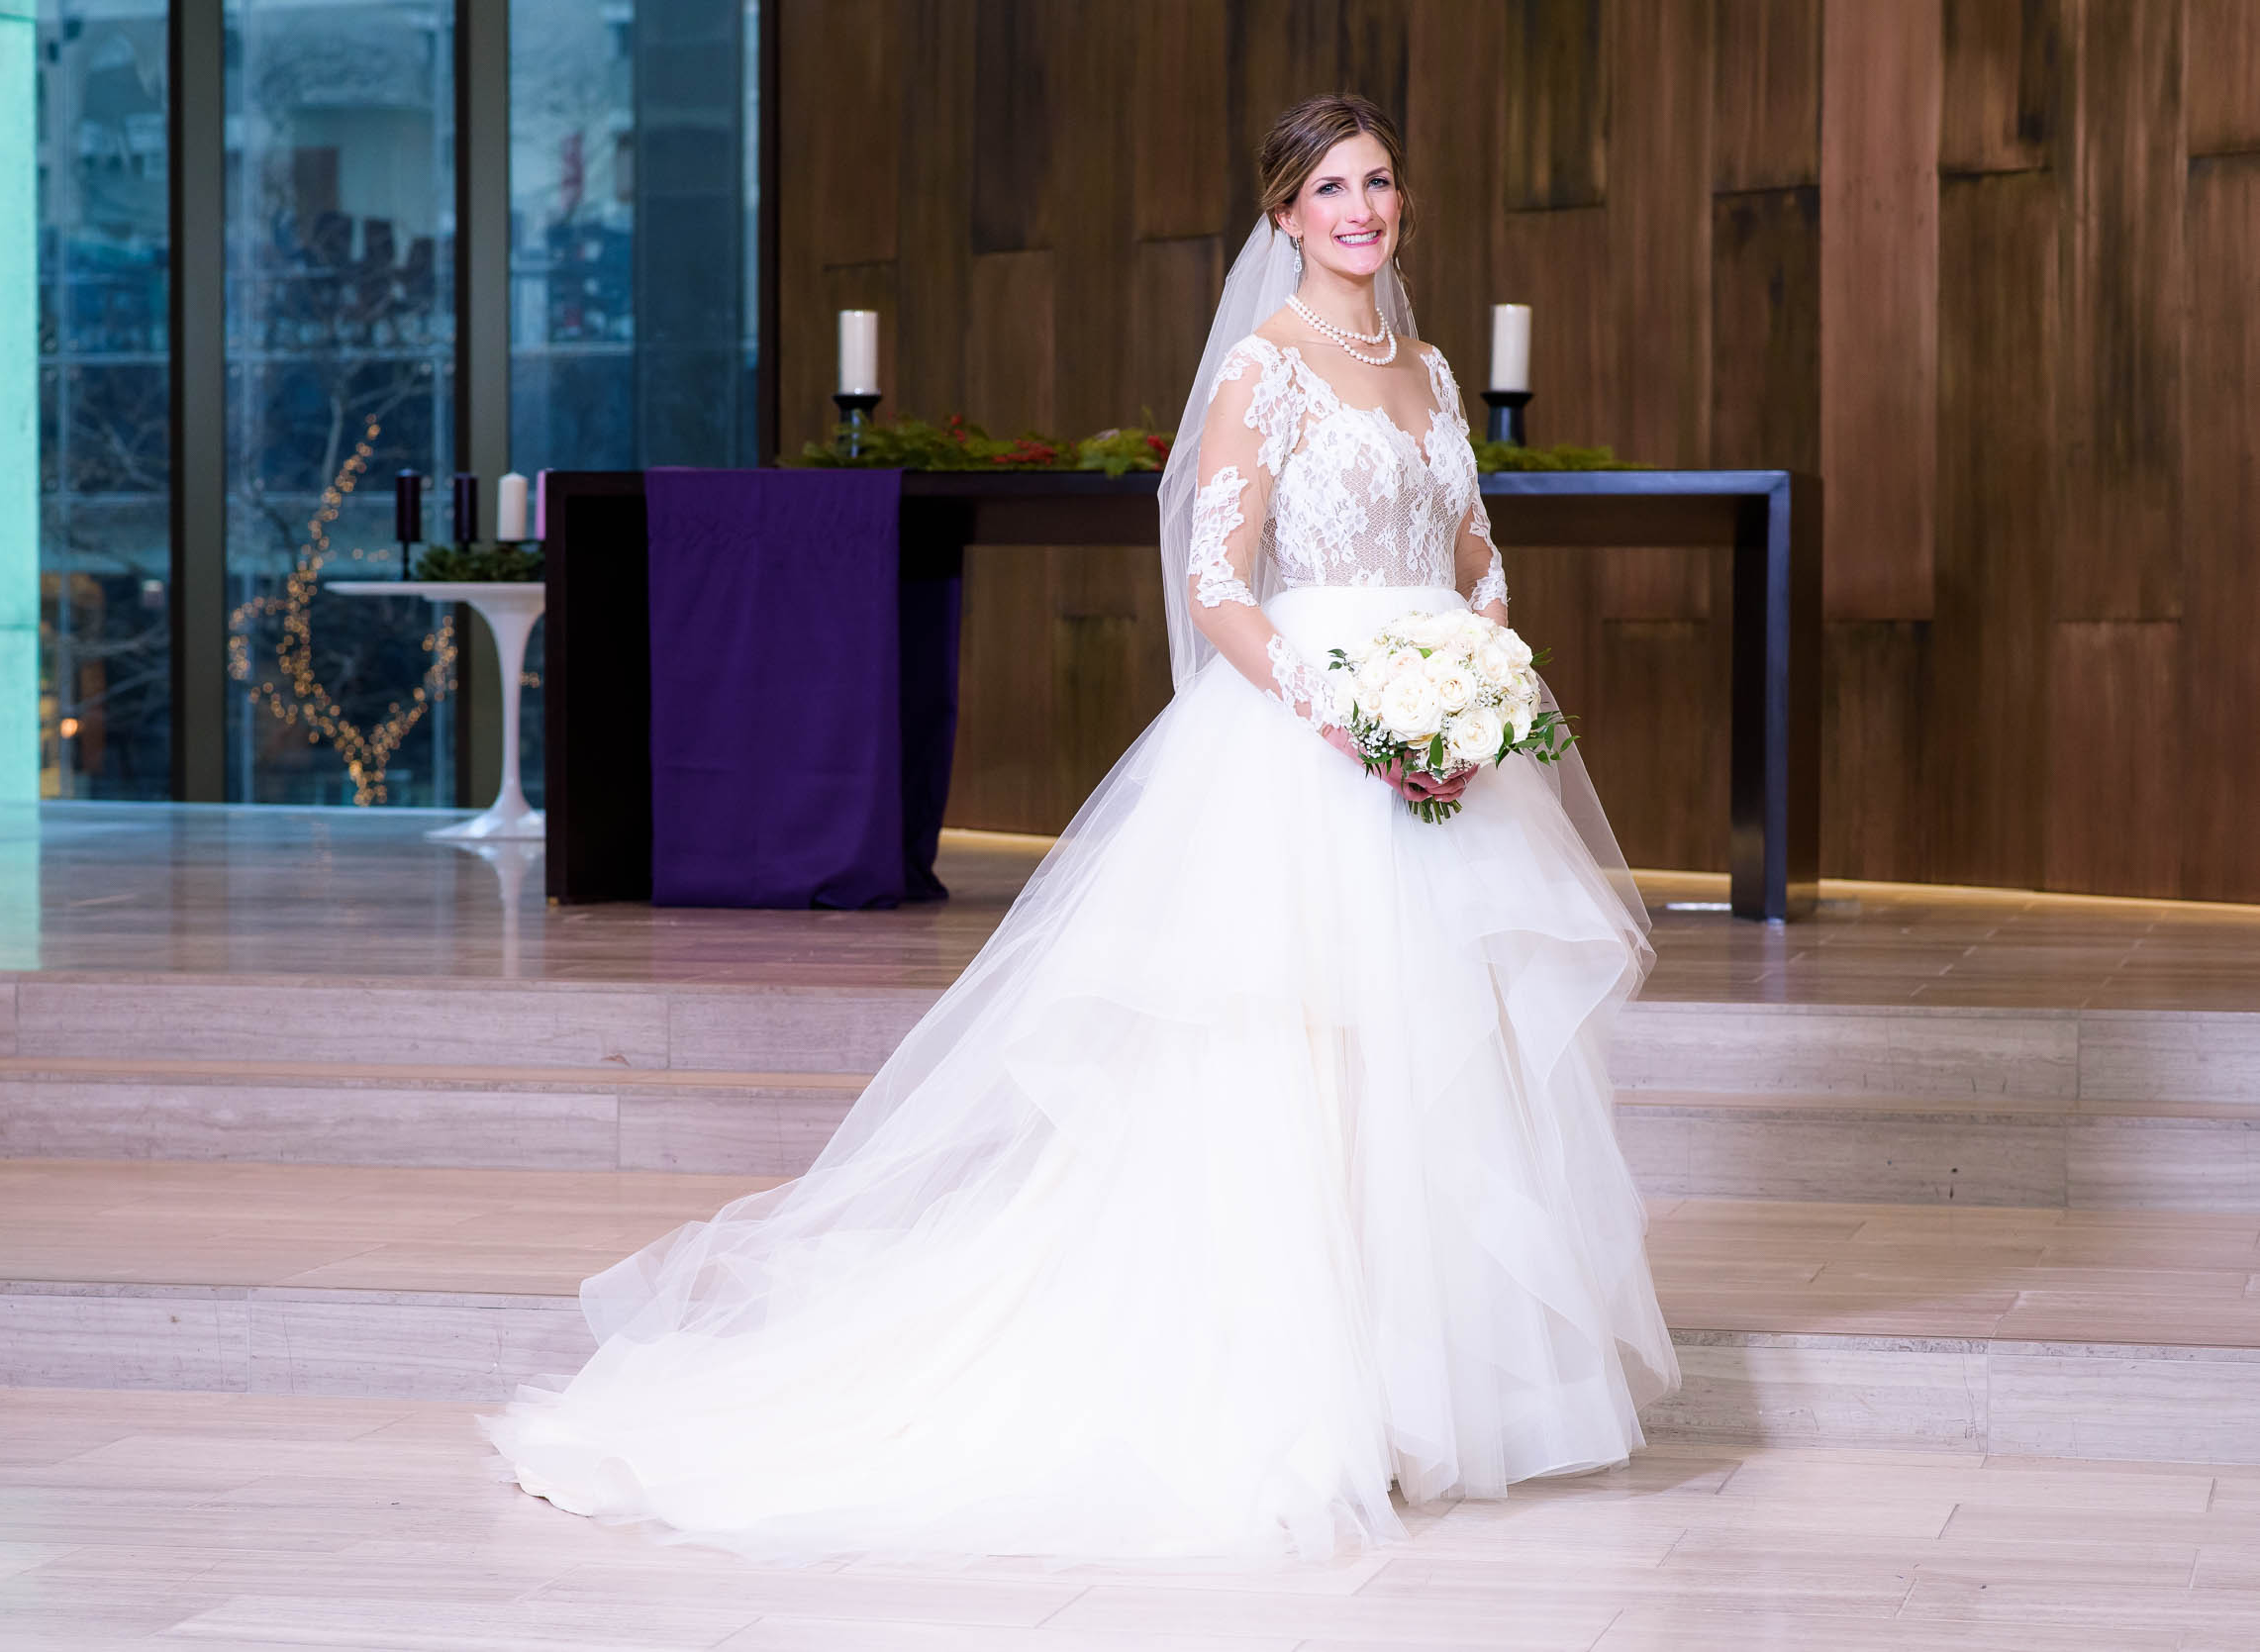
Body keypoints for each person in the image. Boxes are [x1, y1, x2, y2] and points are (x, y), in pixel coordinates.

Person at [484, 93, 1677, 1565]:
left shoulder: (1429, 372)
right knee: (1287, 1076)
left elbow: (1475, 554)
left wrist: (1478, 674)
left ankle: (1423, 1388)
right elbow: (1218, 585)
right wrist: (1360, 715)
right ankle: (1296, 1394)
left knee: (1432, 1070)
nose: (1362, 209)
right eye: (1331, 189)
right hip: (1311, 753)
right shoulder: (1265, 366)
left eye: (1380, 184)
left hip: (1445, 760)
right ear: (1285, 217)